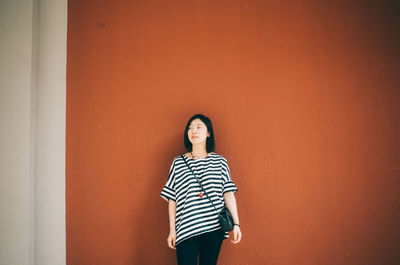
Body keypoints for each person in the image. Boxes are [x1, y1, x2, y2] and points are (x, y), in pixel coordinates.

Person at [160, 114, 242, 265]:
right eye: (190, 128)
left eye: (199, 127)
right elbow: (172, 199)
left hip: (214, 227)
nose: (194, 131)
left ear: (208, 133)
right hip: (186, 227)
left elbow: (228, 194)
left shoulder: (220, 162)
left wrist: (236, 224)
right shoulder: (178, 163)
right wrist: (173, 230)